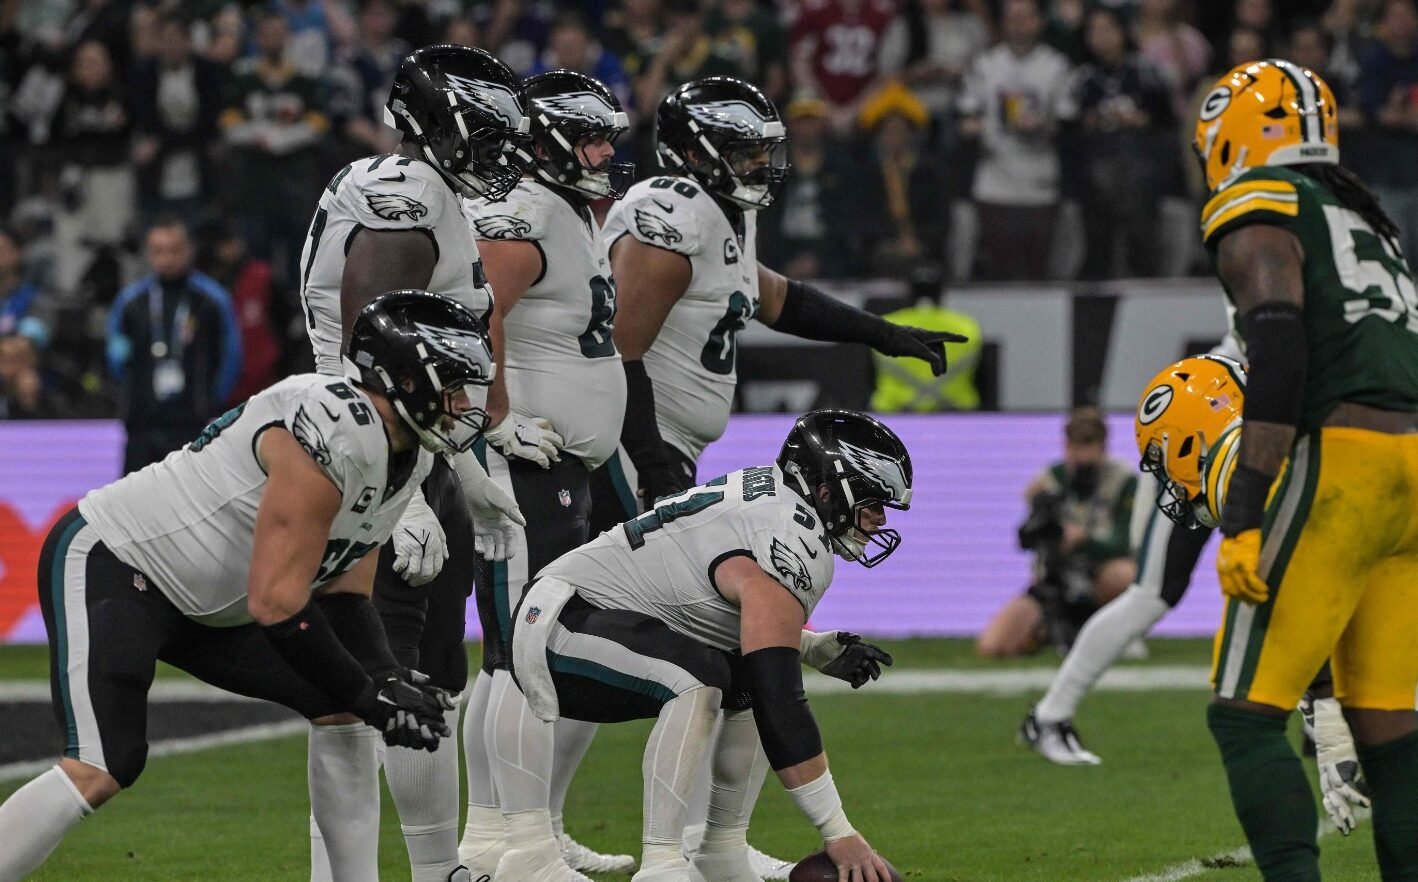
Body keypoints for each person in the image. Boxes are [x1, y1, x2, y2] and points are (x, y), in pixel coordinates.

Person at [0, 290, 493, 882]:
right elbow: (279, 604)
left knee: (341, 708)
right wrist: (372, 696)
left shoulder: (403, 456)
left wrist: (382, 677)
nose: (463, 402)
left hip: (213, 602)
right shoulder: (334, 430)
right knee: (104, 764)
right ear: (407, 379)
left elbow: (344, 591)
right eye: (453, 383)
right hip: (120, 561)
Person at [600, 78, 960, 878]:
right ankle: (531, 835)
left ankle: (712, 846)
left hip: (666, 450)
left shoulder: (721, 214)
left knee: (722, 655)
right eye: (745, 151)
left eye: (766, 150)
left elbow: (772, 298)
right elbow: (622, 351)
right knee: (680, 658)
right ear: (695, 151)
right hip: (628, 447)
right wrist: (655, 468)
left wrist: (883, 334)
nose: (761, 165)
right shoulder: (671, 213)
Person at [297, 44, 554, 882]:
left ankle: (437, 868)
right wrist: (396, 496)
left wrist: (468, 470)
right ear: (431, 125)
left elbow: (436, 362)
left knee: (431, 679)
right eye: (482, 133)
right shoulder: (401, 198)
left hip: (413, 453)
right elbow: (380, 343)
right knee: (378, 683)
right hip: (368, 456)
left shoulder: (433, 195)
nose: (499, 153)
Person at [499, 409, 907, 882]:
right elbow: (783, 703)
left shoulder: (778, 504)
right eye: (873, 502)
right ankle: (662, 867)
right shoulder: (788, 536)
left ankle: (722, 852)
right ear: (826, 489)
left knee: (741, 677)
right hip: (560, 622)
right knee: (699, 679)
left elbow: (712, 612)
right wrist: (838, 831)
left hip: (594, 615)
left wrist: (810, 646)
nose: (878, 520)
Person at [1193, 58, 1418, 880]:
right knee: (1391, 727)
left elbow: (1280, 348)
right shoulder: (1367, 217)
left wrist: (1246, 508)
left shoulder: (1261, 200)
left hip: (1345, 462)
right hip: (1414, 467)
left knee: (1245, 717)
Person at [459, 69, 637, 881]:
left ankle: (504, 837)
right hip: (530, 467)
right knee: (516, 655)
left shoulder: (561, 208)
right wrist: (495, 419)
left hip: (565, 463)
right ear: (544, 137)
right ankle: (509, 843)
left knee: (518, 653)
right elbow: (474, 319)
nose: (604, 151)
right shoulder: (524, 213)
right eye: (591, 135)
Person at [1018, 352, 1241, 765]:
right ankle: (1050, 715)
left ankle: (1316, 711)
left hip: (1250, 445)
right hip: (1205, 447)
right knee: (1152, 594)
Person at [975, 407, 1137, 659]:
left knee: (1124, 574)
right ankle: (1048, 631)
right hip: (1055, 583)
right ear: (1066, 445)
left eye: (1089, 444)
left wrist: (1083, 540)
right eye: (1076, 445)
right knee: (993, 646)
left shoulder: (1123, 480)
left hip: (1097, 577)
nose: (1082, 455)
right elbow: (1026, 538)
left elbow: (1124, 541)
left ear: (1103, 447)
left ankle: (1121, 632)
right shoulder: (1049, 482)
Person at [107, 218, 242, 474]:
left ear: (189, 249)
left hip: (192, 424)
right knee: (135, 505)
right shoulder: (131, 302)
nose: (167, 259)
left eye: (175, 250)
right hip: (141, 424)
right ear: (148, 253)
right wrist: (134, 396)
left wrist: (209, 403)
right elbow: (116, 358)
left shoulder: (211, 300)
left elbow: (231, 357)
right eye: (158, 251)